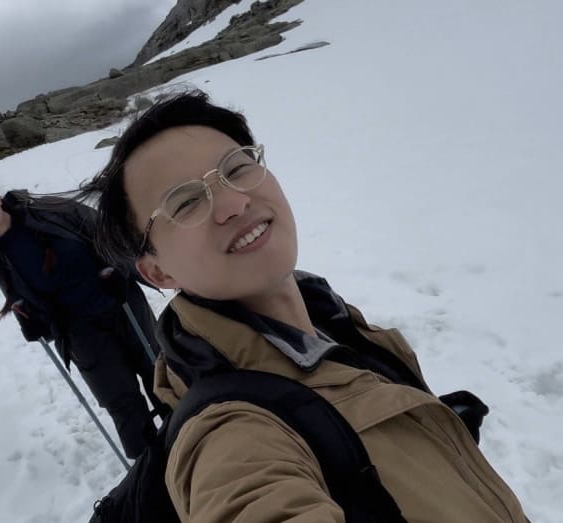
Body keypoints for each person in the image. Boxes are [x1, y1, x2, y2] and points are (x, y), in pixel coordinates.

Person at [83, 90, 530, 522]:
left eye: (236, 168)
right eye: (185, 203)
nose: (234, 203)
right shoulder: (232, 434)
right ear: (158, 272)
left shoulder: (334, 322)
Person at [0, 177, 166, 459]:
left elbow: (105, 230)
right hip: (80, 334)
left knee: (161, 378)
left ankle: (196, 444)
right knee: (122, 403)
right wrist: (32, 323)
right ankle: (151, 472)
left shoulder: (49, 211)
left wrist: (118, 266)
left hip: (121, 304)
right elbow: (25, 305)